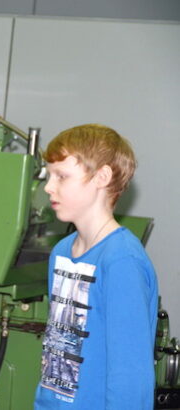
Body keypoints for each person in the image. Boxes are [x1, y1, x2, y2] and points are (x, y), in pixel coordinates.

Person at [34, 124, 158, 409]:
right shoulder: (61, 252)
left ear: (102, 177)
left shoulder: (121, 261)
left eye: (61, 176)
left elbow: (130, 376)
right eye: (49, 175)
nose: (48, 187)